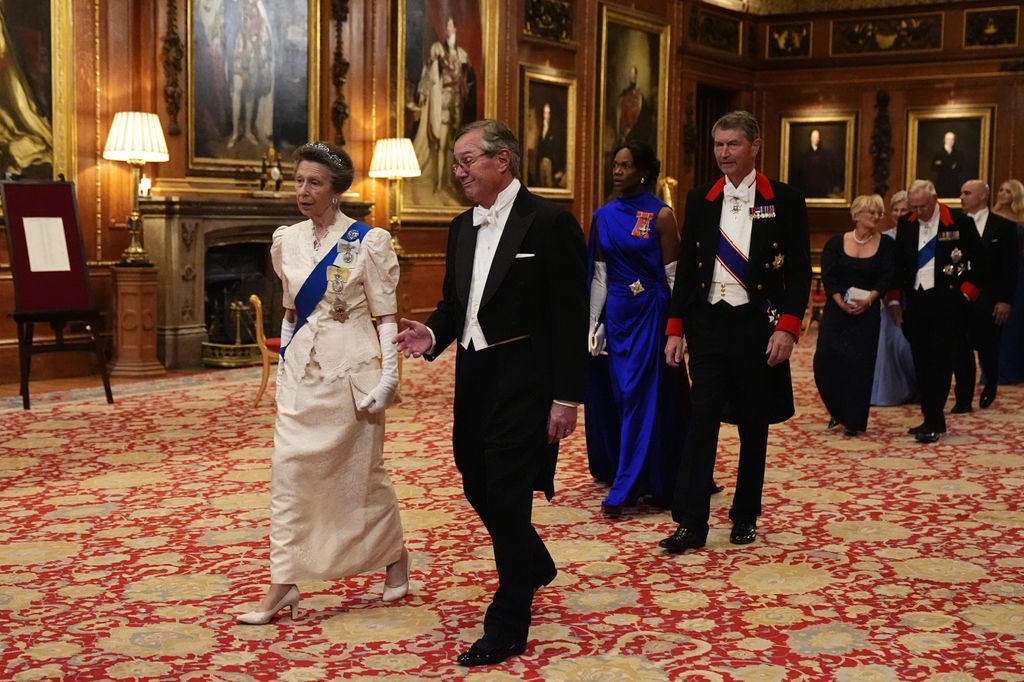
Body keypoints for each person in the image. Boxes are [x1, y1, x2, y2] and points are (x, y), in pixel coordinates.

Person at [394, 120, 587, 666]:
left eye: (466, 161)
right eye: (455, 163)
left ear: (502, 161)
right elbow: (458, 304)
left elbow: (573, 317)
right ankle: (533, 559)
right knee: (473, 476)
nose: (458, 172)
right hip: (475, 374)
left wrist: (566, 397)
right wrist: (431, 332)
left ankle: (509, 618)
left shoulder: (550, 223)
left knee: (505, 489)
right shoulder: (461, 226)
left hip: (528, 376)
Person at [236, 142, 409, 624]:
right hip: (303, 375)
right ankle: (283, 583)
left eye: (314, 183)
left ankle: (395, 558)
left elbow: (386, 316)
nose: (303, 191)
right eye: (298, 181)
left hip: (351, 374)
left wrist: (389, 378)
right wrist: (284, 367)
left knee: (361, 476)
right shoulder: (286, 239)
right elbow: (291, 311)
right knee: (289, 474)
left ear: (336, 191)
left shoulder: (366, 241)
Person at [659, 111, 811, 553]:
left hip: (756, 325)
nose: (724, 153)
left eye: (733, 145)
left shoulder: (784, 199)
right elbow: (686, 271)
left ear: (755, 146)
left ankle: (745, 514)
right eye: (719, 145)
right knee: (700, 417)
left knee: (753, 422)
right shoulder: (700, 198)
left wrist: (787, 327)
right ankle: (690, 522)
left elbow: (799, 273)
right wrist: (676, 329)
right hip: (708, 324)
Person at [585, 141, 689, 517]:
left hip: (652, 312)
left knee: (645, 395)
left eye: (625, 166)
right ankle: (633, 471)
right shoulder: (603, 216)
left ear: (642, 172)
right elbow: (599, 275)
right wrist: (592, 324)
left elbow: (674, 276)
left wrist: (679, 327)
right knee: (622, 395)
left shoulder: (661, 216)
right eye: (614, 164)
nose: (617, 171)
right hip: (617, 315)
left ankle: (633, 483)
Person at [886, 179, 983, 444]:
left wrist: (965, 294)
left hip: (949, 301)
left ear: (935, 199)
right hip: (916, 303)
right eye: (915, 207)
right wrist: (894, 301)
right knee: (922, 363)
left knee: (940, 362)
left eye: (924, 206)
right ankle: (931, 417)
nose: (920, 212)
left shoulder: (959, 222)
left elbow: (981, 262)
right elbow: (897, 266)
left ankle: (933, 420)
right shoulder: (907, 223)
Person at [813, 194, 896, 436]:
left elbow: (887, 276)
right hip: (837, 313)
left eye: (879, 213)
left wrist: (870, 299)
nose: (876, 217)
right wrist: (840, 302)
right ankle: (837, 410)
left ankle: (854, 420)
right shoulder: (836, 242)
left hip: (866, 314)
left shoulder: (887, 245)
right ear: (857, 214)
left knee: (859, 367)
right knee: (825, 362)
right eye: (871, 212)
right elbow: (829, 276)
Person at [952, 180, 1019, 410]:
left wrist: (1005, 300)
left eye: (967, 193)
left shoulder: (1003, 227)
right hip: (960, 296)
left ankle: (990, 383)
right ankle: (963, 398)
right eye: (961, 193)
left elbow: (1010, 268)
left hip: (990, 298)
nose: (962, 197)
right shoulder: (955, 224)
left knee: (988, 346)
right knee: (960, 346)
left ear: (982, 196)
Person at [412, 15, 476, 193]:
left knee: (453, 147)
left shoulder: (462, 54)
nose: (448, 28)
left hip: (457, 104)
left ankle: (450, 183)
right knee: (440, 145)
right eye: (446, 25)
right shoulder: (437, 49)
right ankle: (439, 183)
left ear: (455, 29)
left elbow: (468, 82)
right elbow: (429, 73)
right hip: (442, 103)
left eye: (451, 25)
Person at [871, 191, 918, 405]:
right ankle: (891, 392)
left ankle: (917, 387)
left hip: (914, 297)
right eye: (896, 210)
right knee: (890, 344)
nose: (899, 214)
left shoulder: (919, 234)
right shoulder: (886, 238)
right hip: (889, 298)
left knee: (908, 346)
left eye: (904, 210)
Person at [225, 0, 274, 149]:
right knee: (238, 92)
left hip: (253, 55)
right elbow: (232, 28)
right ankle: (234, 132)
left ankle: (247, 131)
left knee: (250, 94)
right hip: (240, 52)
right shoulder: (236, 7)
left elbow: (263, 31)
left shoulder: (258, 10)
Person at [993, 179, 1024, 384]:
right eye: (1001, 190)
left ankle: (1015, 370)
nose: (1003, 194)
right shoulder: (991, 217)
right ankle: (995, 371)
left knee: (1016, 322)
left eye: (1008, 191)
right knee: (996, 322)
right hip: (996, 273)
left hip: (1020, 271)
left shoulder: (1021, 220)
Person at [796, 129, 839, 198]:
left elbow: (829, 172)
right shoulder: (805, 155)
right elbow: (801, 174)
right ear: (810, 138)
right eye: (814, 137)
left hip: (821, 188)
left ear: (819, 139)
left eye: (817, 137)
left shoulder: (825, 154)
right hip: (808, 188)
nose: (815, 139)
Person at [534, 102, 565, 188]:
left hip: (550, 164)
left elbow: (560, 150)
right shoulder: (542, 128)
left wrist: (560, 170)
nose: (546, 115)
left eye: (548, 113)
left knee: (549, 186)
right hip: (541, 162)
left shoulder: (555, 130)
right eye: (545, 113)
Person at [931, 131, 967, 197]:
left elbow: (960, 168)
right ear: (944, 140)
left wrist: (943, 164)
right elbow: (933, 168)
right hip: (941, 184)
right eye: (948, 139)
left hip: (954, 184)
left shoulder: (958, 154)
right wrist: (951, 166)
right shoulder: (938, 154)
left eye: (952, 139)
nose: (950, 141)